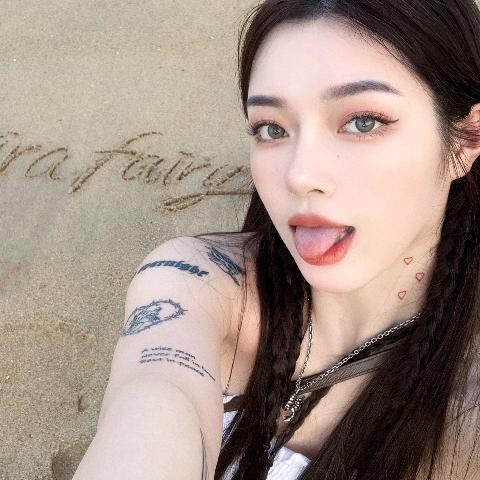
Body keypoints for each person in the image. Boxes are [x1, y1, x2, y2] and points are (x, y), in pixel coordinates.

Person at [73, 1, 480, 479]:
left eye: (363, 122)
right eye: (271, 129)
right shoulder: (199, 280)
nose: (300, 175)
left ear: (467, 139)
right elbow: (154, 395)